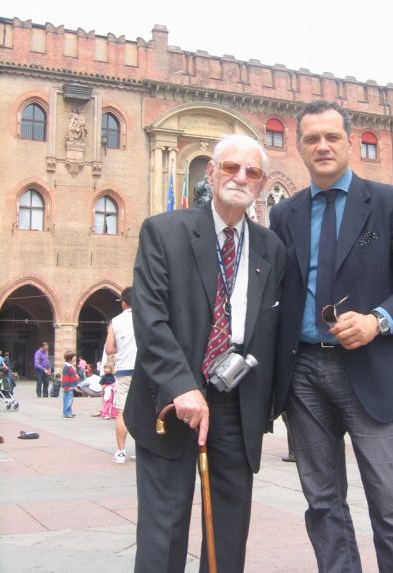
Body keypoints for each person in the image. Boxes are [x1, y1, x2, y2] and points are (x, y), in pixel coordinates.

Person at [270, 100, 393, 573]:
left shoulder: (390, 203)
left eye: (332, 137)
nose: (322, 146)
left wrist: (377, 319)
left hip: (370, 368)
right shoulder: (285, 215)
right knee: (322, 504)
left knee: (391, 505)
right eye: (311, 138)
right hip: (303, 374)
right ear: (299, 146)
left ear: (350, 142)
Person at [124, 133, 285, 573]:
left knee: (228, 532)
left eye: (251, 172)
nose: (240, 177)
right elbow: (151, 319)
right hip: (171, 400)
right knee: (165, 528)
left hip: (237, 404)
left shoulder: (271, 248)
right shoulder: (165, 231)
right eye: (230, 167)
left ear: (262, 182)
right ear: (210, 173)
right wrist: (182, 385)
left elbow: (271, 334)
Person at [105, 287, 137, 464]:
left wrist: (120, 348)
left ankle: (120, 452)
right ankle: (142, 450)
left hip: (124, 371)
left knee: (122, 413)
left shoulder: (115, 322)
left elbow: (109, 349)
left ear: (123, 303)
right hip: (143, 372)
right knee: (145, 413)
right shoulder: (144, 318)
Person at [62, 349, 79, 418]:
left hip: (70, 386)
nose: (74, 359)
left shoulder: (69, 366)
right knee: (68, 400)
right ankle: (67, 413)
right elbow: (65, 378)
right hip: (68, 387)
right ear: (70, 358)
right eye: (73, 357)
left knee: (69, 399)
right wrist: (66, 387)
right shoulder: (67, 367)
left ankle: (69, 411)